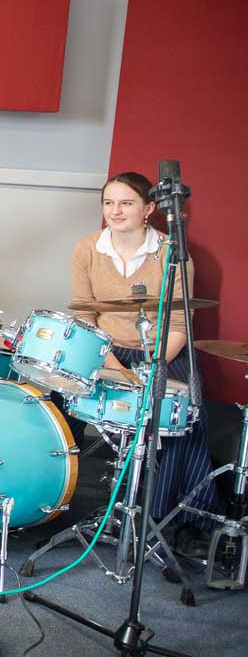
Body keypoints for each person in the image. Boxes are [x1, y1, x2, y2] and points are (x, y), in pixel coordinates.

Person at [70, 171, 220, 555]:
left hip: (162, 350)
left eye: (126, 203)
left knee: (185, 414)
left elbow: (180, 325)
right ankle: (54, 501)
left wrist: (150, 369)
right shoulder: (87, 248)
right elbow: (84, 315)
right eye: (108, 203)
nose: (115, 211)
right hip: (106, 349)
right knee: (58, 396)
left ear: (149, 208)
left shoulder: (172, 253)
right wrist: (113, 364)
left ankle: (179, 522)